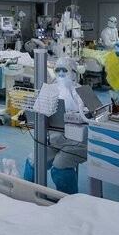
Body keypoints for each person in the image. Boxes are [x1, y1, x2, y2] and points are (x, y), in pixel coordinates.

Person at [23, 56, 87, 194]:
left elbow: (98, 116)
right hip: (54, 140)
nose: (61, 74)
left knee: (60, 167)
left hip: (77, 143)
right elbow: (37, 112)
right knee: (33, 161)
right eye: (58, 70)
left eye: (65, 70)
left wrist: (80, 116)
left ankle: (69, 200)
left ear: (74, 72)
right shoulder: (50, 90)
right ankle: (27, 194)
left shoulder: (83, 91)